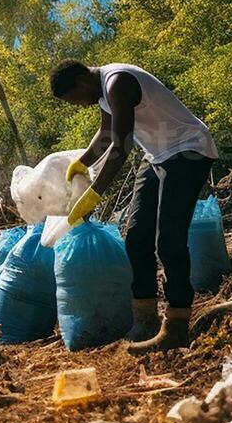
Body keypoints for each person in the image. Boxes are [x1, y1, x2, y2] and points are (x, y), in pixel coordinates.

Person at [49, 60, 218, 354]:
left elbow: (120, 146)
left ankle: (177, 324)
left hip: (188, 150)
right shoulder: (101, 90)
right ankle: (145, 320)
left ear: (80, 82)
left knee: (169, 241)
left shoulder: (118, 83)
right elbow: (105, 134)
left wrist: (94, 193)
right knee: (137, 237)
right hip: (158, 156)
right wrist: (82, 163)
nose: (77, 106)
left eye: (73, 100)